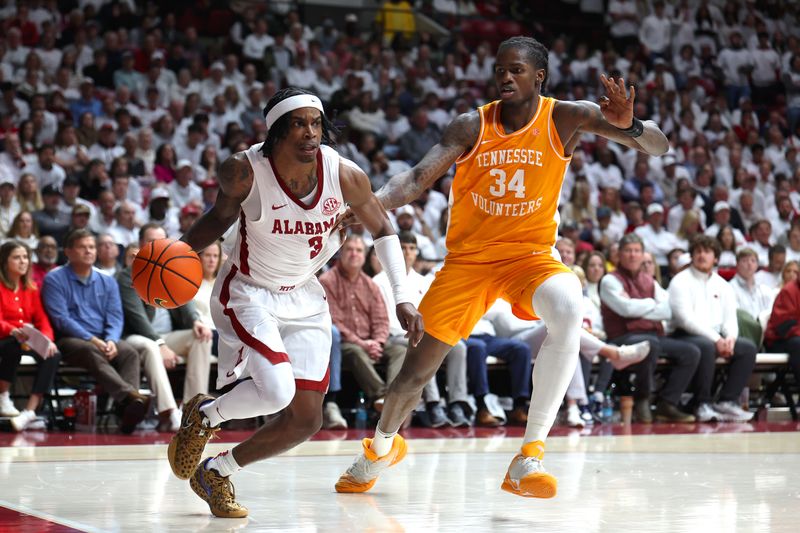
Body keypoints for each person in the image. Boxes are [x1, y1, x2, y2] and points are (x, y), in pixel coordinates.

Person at [335, 36, 668, 498]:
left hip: (529, 258)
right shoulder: (472, 125)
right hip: (468, 263)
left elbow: (659, 146)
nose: (505, 77)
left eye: (515, 70)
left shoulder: (567, 117)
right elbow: (414, 178)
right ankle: (381, 447)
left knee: (570, 308)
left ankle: (528, 456)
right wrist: (372, 203)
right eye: (499, 70)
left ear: (539, 77)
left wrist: (630, 127)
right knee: (414, 373)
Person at [167, 88, 422, 518]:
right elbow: (218, 219)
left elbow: (384, 228)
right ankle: (206, 417)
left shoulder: (344, 175)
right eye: (299, 124)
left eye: (316, 123)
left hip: (305, 294)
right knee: (275, 390)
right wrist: (176, 253)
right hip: (248, 289)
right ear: (276, 131)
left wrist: (403, 298)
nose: (310, 133)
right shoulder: (243, 171)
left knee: (306, 419)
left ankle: (217, 472)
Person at [42, 229, 151, 434]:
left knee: (128, 352)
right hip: (70, 340)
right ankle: (130, 397)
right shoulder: (54, 279)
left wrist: (110, 339)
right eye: (83, 247)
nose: (89, 251)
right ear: (68, 252)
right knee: (90, 350)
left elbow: (115, 316)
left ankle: (126, 410)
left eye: (91, 247)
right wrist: (93, 340)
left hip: (103, 337)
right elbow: (61, 319)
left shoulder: (107, 281)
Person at [598, 234, 699, 423]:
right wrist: (652, 305)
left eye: (637, 251)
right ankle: (642, 399)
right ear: (619, 254)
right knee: (649, 344)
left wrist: (640, 306)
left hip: (653, 334)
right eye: (628, 251)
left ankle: (667, 403)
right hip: (622, 337)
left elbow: (668, 309)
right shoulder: (609, 281)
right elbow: (625, 309)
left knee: (691, 352)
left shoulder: (649, 280)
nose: (632, 255)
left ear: (643, 254)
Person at [667, 235, 756, 422]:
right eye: (697, 251)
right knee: (706, 346)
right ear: (691, 256)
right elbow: (685, 319)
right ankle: (702, 403)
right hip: (684, 335)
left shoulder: (722, 285)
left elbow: (730, 318)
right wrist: (717, 339)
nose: (701, 255)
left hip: (716, 335)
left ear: (715, 258)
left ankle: (727, 401)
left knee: (747, 348)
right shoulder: (680, 281)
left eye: (707, 251)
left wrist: (730, 338)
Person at [0, 241, 61, 431]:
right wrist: (10, 329)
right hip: (6, 337)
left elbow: (42, 319)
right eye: (17, 257)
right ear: (4, 261)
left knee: (53, 354)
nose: (23, 261)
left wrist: (47, 339)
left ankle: (30, 410)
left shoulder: (31, 288)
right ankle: (3, 396)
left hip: (25, 338)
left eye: (25, 257)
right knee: (12, 346)